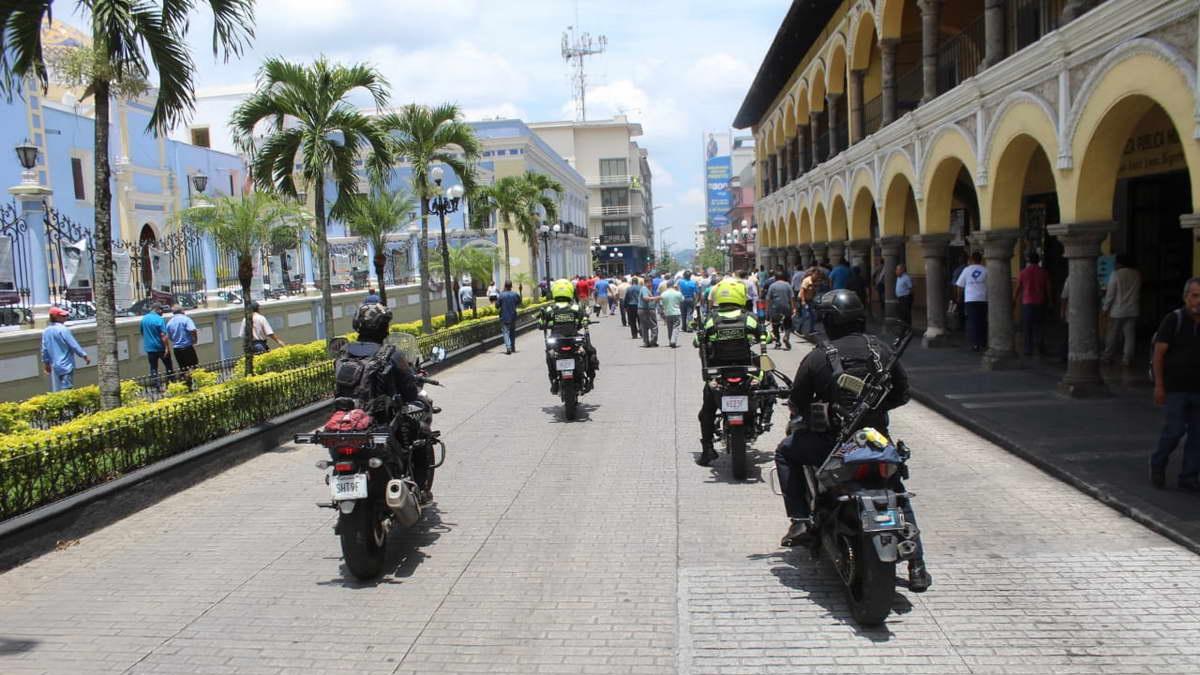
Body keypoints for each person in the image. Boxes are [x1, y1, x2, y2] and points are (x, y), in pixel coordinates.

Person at [773, 289, 931, 592]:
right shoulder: (880, 350)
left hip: (832, 445)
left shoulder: (819, 356)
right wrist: (877, 409)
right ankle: (918, 566)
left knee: (785, 452)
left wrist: (817, 411)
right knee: (896, 490)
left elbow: (799, 402)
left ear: (830, 321)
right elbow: (902, 394)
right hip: (875, 442)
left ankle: (801, 520)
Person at [335, 302, 433, 504]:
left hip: (346, 426)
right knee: (422, 433)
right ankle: (421, 489)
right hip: (381, 424)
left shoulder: (343, 354)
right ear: (384, 328)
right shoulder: (390, 354)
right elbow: (410, 393)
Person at [694, 278, 769, 466]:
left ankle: (707, 449)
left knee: (707, 412)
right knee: (769, 384)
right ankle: (765, 418)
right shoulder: (749, 317)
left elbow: (697, 341)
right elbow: (765, 337)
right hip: (746, 370)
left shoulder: (711, 319)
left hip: (719, 373)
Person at [1150, 278, 1200, 492]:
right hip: (1176, 388)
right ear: (1186, 297)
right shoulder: (1174, 320)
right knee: (1175, 431)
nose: (1198, 301)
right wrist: (1159, 385)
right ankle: (1158, 463)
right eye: (1195, 296)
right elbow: (1158, 355)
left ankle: (1189, 477)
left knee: (1198, 436)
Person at [538, 279, 598, 393]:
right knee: (590, 351)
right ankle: (590, 379)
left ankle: (553, 380)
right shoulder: (575, 308)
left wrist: (544, 323)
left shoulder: (550, 309)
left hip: (556, 341)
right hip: (573, 340)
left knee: (549, 356)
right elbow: (584, 319)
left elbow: (541, 324)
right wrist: (585, 321)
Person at [1103, 255, 1142, 367]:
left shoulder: (1116, 274)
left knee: (1112, 335)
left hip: (1118, 310)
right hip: (1133, 309)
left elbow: (1110, 294)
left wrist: (1105, 308)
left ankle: (1108, 356)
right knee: (1130, 335)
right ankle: (1127, 359)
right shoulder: (1137, 274)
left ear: (1119, 263)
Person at [41, 306, 89, 391]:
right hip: (66, 364)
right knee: (67, 388)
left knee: (60, 387)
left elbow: (44, 349)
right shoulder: (63, 329)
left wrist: (46, 364)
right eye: (63, 316)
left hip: (55, 365)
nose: (66, 317)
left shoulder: (46, 331)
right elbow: (73, 344)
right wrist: (84, 355)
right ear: (56, 317)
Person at [1014, 252, 1052, 357]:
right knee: (1040, 326)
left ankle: (1028, 349)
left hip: (1027, 302)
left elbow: (1018, 287)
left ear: (1028, 260)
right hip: (1040, 302)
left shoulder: (1023, 272)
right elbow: (1048, 288)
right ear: (1038, 260)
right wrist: (1050, 301)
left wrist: (1014, 299)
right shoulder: (1043, 272)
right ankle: (1040, 347)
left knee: (1027, 327)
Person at [956, 251, 988, 352]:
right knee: (982, 320)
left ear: (971, 259)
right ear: (981, 259)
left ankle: (975, 343)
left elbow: (960, 285)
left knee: (972, 321)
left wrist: (959, 297)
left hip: (970, 299)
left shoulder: (967, 270)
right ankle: (983, 342)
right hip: (983, 299)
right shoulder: (986, 270)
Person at [140, 303, 174, 384]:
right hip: (160, 347)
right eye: (161, 309)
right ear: (157, 309)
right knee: (168, 366)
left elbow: (142, 333)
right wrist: (167, 348)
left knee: (153, 368)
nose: (162, 311)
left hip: (150, 348)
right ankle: (170, 383)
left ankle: (156, 385)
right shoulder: (159, 319)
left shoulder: (144, 319)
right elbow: (163, 335)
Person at [766, 270, 795, 350]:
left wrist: (767, 310)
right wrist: (793, 308)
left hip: (775, 308)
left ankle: (778, 342)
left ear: (775, 278)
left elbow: (768, 299)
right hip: (786, 307)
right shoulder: (788, 285)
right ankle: (786, 336)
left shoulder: (772, 286)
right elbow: (792, 297)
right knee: (788, 323)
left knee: (775, 325)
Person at [166, 304, 199, 372]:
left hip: (177, 349)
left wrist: (175, 340)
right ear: (182, 311)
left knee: (183, 368)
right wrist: (195, 340)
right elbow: (193, 330)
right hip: (187, 347)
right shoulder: (186, 319)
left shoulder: (169, 322)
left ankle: (186, 378)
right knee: (194, 367)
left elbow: (169, 336)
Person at [497, 281, 522, 355]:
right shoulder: (515, 294)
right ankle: (513, 347)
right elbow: (519, 302)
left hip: (504, 316)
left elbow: (497, 306)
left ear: (505, 286)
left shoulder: (501, 295)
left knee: (505, 332)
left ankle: (508, 347)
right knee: (512, 332)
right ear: (511, 286)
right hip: (513, 316)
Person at [659, 280, 684, 347]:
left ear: (667, 286)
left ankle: (670, 341)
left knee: (669, 328)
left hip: (667, 313)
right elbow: (682, 299)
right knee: (676, 327)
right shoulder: (678, 293)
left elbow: (661, 304)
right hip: (676, 312)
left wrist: (662, 312)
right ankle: (673, 340)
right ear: (673, 286)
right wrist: (679, 290)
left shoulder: (663, 294)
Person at [638, 276, 661, 347]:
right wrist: (655, 298)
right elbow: (645, 298)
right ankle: (653, 341)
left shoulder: (646, 289)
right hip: (645, 310)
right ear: (648, 282)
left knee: (644, 326)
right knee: (653, 326)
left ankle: (646, 342)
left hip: (643, 309)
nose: (652, 284)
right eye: (651, 282)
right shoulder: (644, 289)